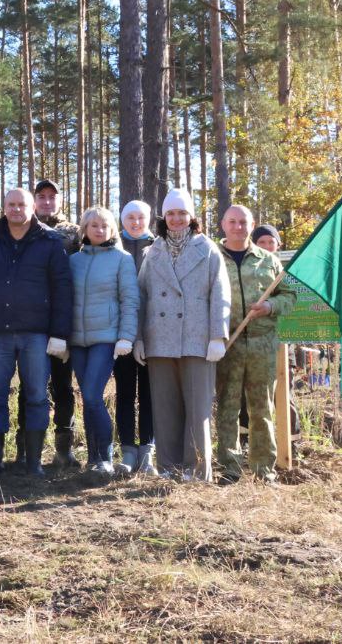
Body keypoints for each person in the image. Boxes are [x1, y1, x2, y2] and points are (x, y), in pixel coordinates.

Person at [0, 189, 72, 479]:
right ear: (4, 207)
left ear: (32, 207)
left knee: (36, 395)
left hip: (36, 334)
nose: (17, 209)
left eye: (22, 204)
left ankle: (33, 463)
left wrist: (59, 333)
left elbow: (62, 288)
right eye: (11, 204)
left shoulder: (50, 241)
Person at [135, 188, 231, 482]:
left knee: (197, 408)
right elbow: (142, 295)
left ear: (192, 216)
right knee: (165, 407)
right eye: (171, 213)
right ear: (164, 217)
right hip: (159, 340)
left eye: (182, 213)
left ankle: (197, 469)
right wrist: (139, 337)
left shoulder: (208, 249)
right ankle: (168, 467)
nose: (176, 219)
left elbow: (221, 293)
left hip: (197, 339)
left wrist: (218, 335)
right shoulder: (153, 252)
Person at [216, 206, 296, 482]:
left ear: (252, 225)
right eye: (233, 222)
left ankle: (264, 469)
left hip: (262, 343)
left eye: (243, 222)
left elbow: (289, 296)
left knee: (262, 408)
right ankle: (230, 467)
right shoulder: (211, 258)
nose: (238, 227)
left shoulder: (268, 260)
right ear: (223, 224)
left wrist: (271, 306)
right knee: (227, 406)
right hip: (227, 344)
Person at [68, 208, 139, 475]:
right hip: (77, 340)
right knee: (88, 399)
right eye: (94, 225)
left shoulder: (122, 259)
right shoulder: (73, 261)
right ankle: (93, 459)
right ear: (84, 229)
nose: (99, 230)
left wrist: (126, 336)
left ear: (111, 230)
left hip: (106, 338)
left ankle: (105, 456)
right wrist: (63, 337)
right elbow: (65, 300)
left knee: (92, 395)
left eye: (105, 225)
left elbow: (130, 300)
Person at [28, 179, 81, 470]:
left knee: (62, 385)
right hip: (32, 319)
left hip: (63, 318)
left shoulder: (74, 232)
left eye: (52, 197)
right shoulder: (25, 227)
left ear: (59, 201)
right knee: (31, 386)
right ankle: (27, 450)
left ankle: (64, 449)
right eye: (42, 197)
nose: (47, 202)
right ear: (34, 200)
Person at [116, 200, 156, 475]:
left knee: (150, 394)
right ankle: (127, 450)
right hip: (121, 333)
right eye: (130, 217)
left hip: (154, 332)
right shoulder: (113, 245)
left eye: (141, 217)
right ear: (122, 220)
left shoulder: (159, 246)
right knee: (125, 393)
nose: (135, 222)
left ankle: (148, 451)